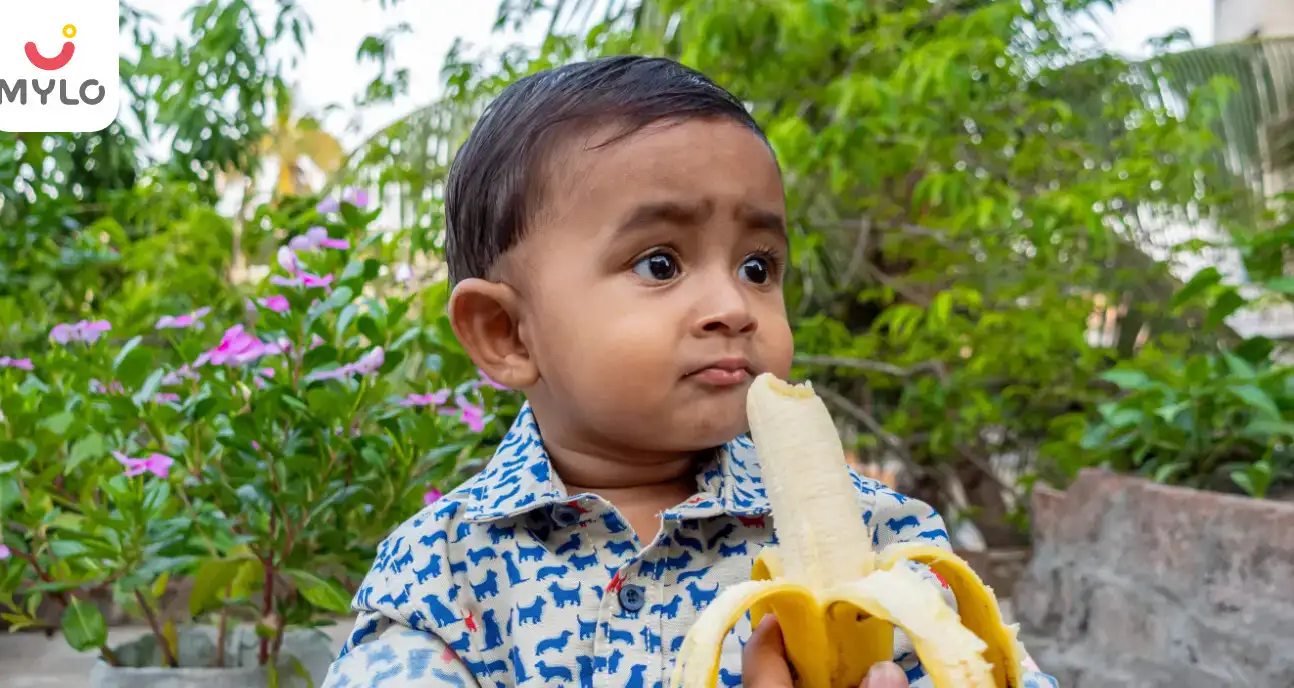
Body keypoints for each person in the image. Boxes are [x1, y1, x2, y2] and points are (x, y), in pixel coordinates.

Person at [321, 55, 1057, 688]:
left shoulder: (884, 540)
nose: (734, 305)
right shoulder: (441, 578)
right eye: (661, 263)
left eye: (758, 266)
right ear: (507, 332)